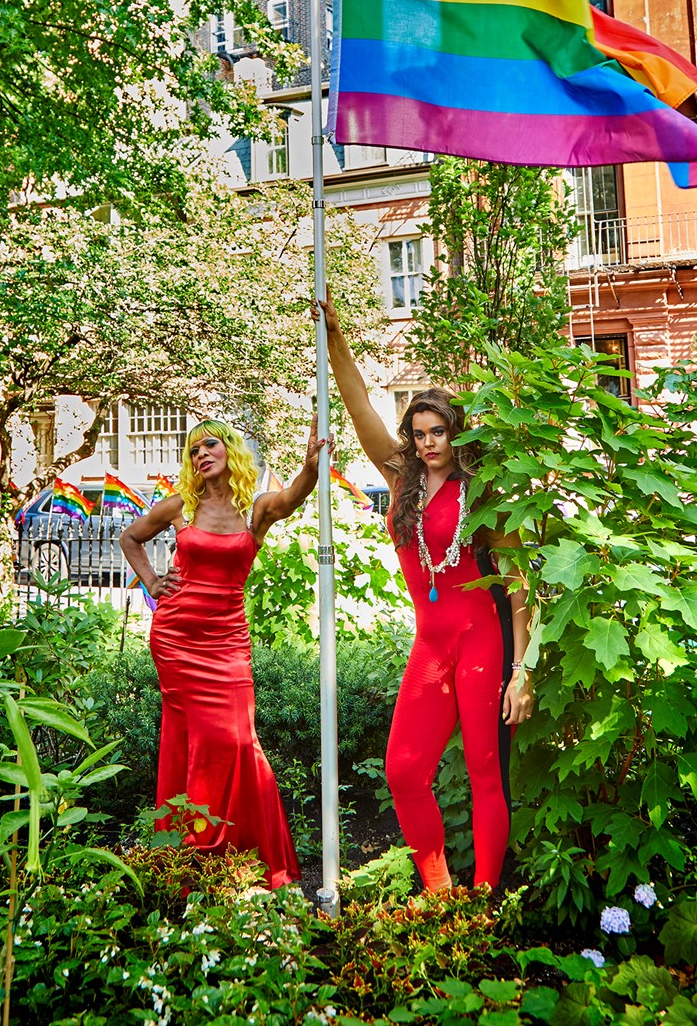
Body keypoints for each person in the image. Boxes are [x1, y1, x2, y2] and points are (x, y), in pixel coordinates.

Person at [313, 295, 534, 892]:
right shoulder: (400, 478)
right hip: (431, 646)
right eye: (419, 433)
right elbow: (360, 411)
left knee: (487, 773)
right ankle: (440, 895)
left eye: (438, 432)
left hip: (482, 642)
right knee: (405, 771)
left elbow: (517, 585)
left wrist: (522, 670)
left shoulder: (483, 491)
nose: (428, 442)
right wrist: (335, 338)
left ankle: (484, 903)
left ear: (454, 433)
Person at [120, 417, 326, 890]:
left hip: (227, 642)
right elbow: (130, 537)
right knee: (189, 741)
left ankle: (232, 851)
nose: (201, 455)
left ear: (230, 450)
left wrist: (310, 467)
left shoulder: (254, 510)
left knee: (235, 742)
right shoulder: (181, 509)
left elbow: (291, 498)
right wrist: (153, 582)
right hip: (175, 638)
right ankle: (191, 854)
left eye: (209, 445)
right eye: (193, 451)